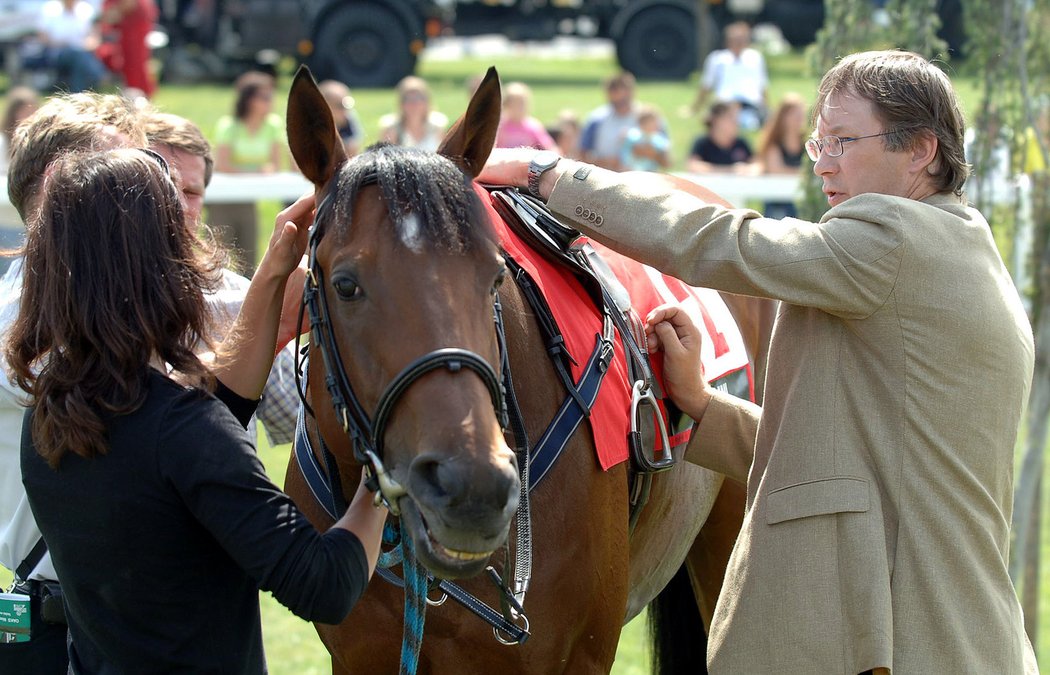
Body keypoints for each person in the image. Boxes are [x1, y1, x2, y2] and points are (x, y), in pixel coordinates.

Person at [480, 49, 1038, 674]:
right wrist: (700, 405)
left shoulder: (895, 243)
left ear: (922, 151)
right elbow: (832, 463)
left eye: (844, 141)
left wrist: (548, 176)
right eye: (817, 143)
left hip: (896, 639)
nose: (823, 163)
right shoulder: (956, 247)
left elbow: (725, 241)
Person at [8, 147, 385, 673]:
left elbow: (197, 433)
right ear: (162, 267)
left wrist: (273, 275)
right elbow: (325, 585)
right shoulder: (183, 429)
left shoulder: (49, 414)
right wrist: (382, 478)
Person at [141, 109, 301, 446]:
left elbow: (291, 416)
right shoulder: (95, 293)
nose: (179, 206)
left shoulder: (238, 291)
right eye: (163, 188)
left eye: (191, 192)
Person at [212, 70, 287, 267]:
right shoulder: (229, 126)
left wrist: (252, 173)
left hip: (248, 199)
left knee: (248, 258)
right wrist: (255, 173)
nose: (271, 101)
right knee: (218, 257)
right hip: (223, 199)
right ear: (250, 100)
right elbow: (222, 165)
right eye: (265, 97)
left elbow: (275, 164)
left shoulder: (272, 125)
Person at [691, 21, 768, 131]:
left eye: (742, 39)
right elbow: (706, 86)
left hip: (749, 104)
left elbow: (762, 86)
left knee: (750, 122)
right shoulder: (717, 59)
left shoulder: (756, 58)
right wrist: (695, 108)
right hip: (725, 103)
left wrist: (766, 108)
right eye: (735, 40)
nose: (739, 43)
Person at [35, 0, 106, 93]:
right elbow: (42, 37)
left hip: (83, 51)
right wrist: (60, 43)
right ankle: (96, 75)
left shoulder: (86, 9)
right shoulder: (50, 9)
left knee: (79, 56)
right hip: (59, 53)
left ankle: (77, 93)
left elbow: (95, 37)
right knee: (80, 56)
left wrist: (88, 44)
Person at [756, 93, 807, 218]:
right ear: (783, 117)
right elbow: (777, 172)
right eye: (795, 115)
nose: (799, 119)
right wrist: (803, 173)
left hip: (801, 202)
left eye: (801, 115)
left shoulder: (806, 144)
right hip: (777, 203)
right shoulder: (774, 146)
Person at [578, 71, 639, 171]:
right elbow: (582, 156)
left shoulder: (648, 117)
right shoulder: (596, 119)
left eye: (624, 100)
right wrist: (607, 162)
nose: (621, 104)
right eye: (617, 102)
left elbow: (666, 160)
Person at [98, 0, 159, 98]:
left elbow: (128, 4)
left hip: (134, 26)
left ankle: (138, 95)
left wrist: (114, 13)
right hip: (124, 30)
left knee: (135, 63)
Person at [379, 75, 447, 151]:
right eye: (408, 99)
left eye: (419, 98)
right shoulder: (391, 128)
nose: (414, 104)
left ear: (427, 101)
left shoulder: (437, 126)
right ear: (401, 103)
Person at [687, 101, 755, 174]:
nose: (737, 122)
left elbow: (756, 165)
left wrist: (748, 169)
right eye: (731, 117)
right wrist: (730, 170)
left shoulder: (741, 143)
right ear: (717, 120)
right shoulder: (702, 143)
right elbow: (694, 166)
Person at [495, 81, 556, 151]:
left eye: (522, 103)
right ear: (506, 105)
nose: (519, 108)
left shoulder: (533, 126)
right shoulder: (500, 127)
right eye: (515, 103)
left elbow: (549, 147)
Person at [318, 79, 364, 158]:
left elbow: (353, 152)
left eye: (346, 106)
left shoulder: (350, 119)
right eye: (339, 106)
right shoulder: (310, 123)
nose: (345, 111)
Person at [619, 104, 670, 172]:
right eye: (652, 122)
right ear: (642, 124)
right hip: (633, 170)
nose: (656, 124)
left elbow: (665, 157)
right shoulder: (633, 137)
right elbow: (625, 151)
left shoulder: (658, 140)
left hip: (651, 172)